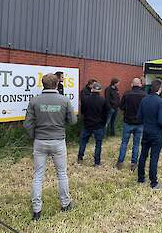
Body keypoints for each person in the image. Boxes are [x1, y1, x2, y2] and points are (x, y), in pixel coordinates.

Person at [24, 73, 77, 221]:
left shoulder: (34, 101)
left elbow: (27, 124)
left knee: (38, 176)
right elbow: (73, 121)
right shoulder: (64, 100)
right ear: (56, 84)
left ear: (43, 84)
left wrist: (34, 135)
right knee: (61, 174)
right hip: (58, 141)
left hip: (40, 140)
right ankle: (65, 204)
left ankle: (36, 210)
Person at [137, 79, 162, 189]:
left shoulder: (144, 100)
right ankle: (153, 182)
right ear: (159, 88)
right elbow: (161, 121)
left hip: (146, 131)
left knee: (143, 155)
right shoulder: (161, 102)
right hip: (156, 133)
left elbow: (139, 117)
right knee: (154, 157)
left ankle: (140, 178)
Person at [116, 78, 146, 171]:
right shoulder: (144, 95)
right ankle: (133, 163)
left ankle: (120, 162)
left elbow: (121, 107)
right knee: (136, 144)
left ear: (132, 84)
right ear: (140, 85)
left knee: (124, 143)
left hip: (128, 122)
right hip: (139, 123)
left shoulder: (126, 93)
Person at [78, 82, 111, 166]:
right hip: (99, 125)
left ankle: (80, 158)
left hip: (87, 124)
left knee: (83, 142)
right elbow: (106, 113)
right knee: (98, 144)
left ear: (92, 89)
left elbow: (82, 111)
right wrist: (104, 123)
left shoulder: (85, 99)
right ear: (100, 90)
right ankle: (97, 162)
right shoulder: (103, 100)